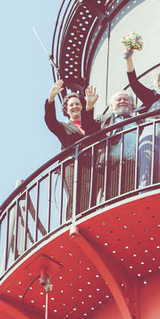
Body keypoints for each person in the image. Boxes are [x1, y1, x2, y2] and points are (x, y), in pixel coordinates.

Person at [125, 49, 160, 187]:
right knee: (146, 171)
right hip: (151, 138)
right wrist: (128, 60)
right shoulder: (152, 98)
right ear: (158, 83)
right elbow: (134, 84)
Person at [45, 80, 99, 217]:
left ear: (82, 106)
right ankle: (72, 222)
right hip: (72, 165)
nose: (74, 107)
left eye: (77, 104)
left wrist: (90, 105)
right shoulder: (63, 127)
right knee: (75, 194)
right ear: (66, 110)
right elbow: (50, 121)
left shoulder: (93, 123)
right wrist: (51, 99)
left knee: (90, 196)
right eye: (71, 105)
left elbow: (89, 127)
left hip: (92, 165)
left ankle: (88, 219)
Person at [89, 90, 139, 205]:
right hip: (111, 167)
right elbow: (88, 127)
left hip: (134, 166)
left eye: (126, 99)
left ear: (132, 104)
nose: (122, 101)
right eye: (118, 100)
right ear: (111, 105)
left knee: (132, 200)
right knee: (110, 200)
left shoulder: (139, 119)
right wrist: (90, 106)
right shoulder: (104, 119)